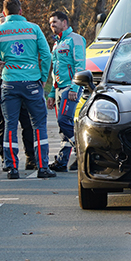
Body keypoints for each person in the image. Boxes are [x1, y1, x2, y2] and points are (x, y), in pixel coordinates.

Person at [0, 0, 55, 180]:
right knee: (38, 125)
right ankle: (42, 167)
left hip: (9, 83)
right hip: (32, 82)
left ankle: (11, 168)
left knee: (10, 125)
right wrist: (42, 77)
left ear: (4, 13)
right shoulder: (33, 28)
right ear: (21, 11)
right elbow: (46, 55)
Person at [0, 13, 38, 172]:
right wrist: (6, 65)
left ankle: (31, 157)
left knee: (27, 123)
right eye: (2, 22)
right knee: (4, 124)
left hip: (21, 84)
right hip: (1, 87)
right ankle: (5, 157)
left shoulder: (19, 39)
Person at [46, 10, 86, 172]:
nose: (52, 25)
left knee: (64, 120)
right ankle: (62, 162)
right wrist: (50, 93)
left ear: (64, 22)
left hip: (70, 86)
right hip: (58, 88)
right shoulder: (56, 43)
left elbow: (80, 65)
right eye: (50, 23)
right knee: (63, 126)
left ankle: (81, 150)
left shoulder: (75, 39)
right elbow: (54, 70)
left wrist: (75, 87)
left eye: (54, 22)